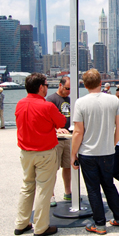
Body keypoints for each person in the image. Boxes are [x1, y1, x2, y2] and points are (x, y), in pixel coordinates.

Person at [71, 69, 119, 235]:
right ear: (101, 82)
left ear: (85, 84)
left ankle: (100, 224)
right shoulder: (113, 100)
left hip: (88, 152)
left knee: (93, 189)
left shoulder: (80, 103)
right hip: (108, 151)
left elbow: (78, 132)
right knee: (109, 185)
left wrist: (73, 154)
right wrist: (113, 143)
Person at [14, 73, 66, 236]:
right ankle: (41, 227)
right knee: (44, 189)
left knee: (27, 186)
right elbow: (61, 122)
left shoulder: (19, 104)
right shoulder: (47, 106)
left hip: (25, 152)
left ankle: (21, 223)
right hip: (44, 151)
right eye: (46, 84)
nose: (47, 87)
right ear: (41, 87)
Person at [46, 76, 71, 206]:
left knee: (68, 166)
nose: (69, 91)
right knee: (53, 168)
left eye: (70, 89)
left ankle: (68, 192)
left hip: (68, 138)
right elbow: (47, 120)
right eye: (67, 88)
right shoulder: (51, 100)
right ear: (60, 86)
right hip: (56, 139)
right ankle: (51, 195)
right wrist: (57, 129)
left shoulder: (70, 100)